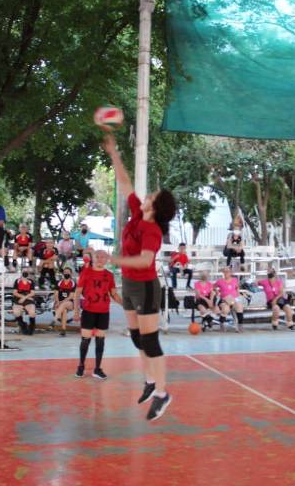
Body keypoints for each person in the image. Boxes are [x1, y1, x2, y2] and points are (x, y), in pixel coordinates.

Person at [101, 131, 177, 421]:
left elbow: (145, 259)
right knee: (136, 338)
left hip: (145, 286)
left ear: (155, 207)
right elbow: (124, 183)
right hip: (130, 283)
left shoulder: (152, 230)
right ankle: (149, 380)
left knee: (151, 340)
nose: (148, 195)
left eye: (153, 196)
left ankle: (162, 392)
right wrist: (114, 153)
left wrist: (113, 259)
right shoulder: (135, 215)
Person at [74, 250, 122, 379]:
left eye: (103, 257)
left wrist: (126, 305)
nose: (100, 259)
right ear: (93, 258)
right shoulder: (86, 273)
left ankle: (97, 369)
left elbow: (114, 294)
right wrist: (76, 311)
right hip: (89, 310)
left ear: (107, 259)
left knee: (100, 341)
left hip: (103, 311)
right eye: (98, 257)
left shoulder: (109, 275)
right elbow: (77, 293)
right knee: (85, 341)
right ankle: (81, 366)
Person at [215, 266, 244, 332]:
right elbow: (213, 287)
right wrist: (217, 291)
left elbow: (237, 288)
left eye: (227, 272)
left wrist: (237, 294)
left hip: (234, 299)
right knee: (225, 309)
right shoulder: (220, 281)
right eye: (224, 272)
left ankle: (240, 326)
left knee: (239, 307)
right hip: (224, 300)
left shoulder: (235, 280)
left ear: (230, 272)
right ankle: (222, 325)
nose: (226, 273)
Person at [12, 268, 36, 335]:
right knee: (16, 313)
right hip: (18, 298)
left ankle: (32, 327)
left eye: (27, 271)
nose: (25, 272)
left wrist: (24, 298)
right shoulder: (17, 281)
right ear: (21, 272)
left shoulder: (31, 281)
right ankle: (23, 325)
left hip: (28, 298)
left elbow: (32, 293)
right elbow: (15, 293)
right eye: (24, 271)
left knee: (32, 312)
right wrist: (22, 297)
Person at [53, 267, 77, 336]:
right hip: (59, 303)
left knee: (64, 304)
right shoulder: (59, 282)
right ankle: (63, 330)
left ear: (71, 273)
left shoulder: (73, 283)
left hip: (70, 303)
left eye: (68, 272)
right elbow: (56, 293)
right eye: (65, 272)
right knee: (64, 311)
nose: (66, 273)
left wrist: (61, 302)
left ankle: (54, 320)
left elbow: (71, 296)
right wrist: (57, 301)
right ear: (63, 273)